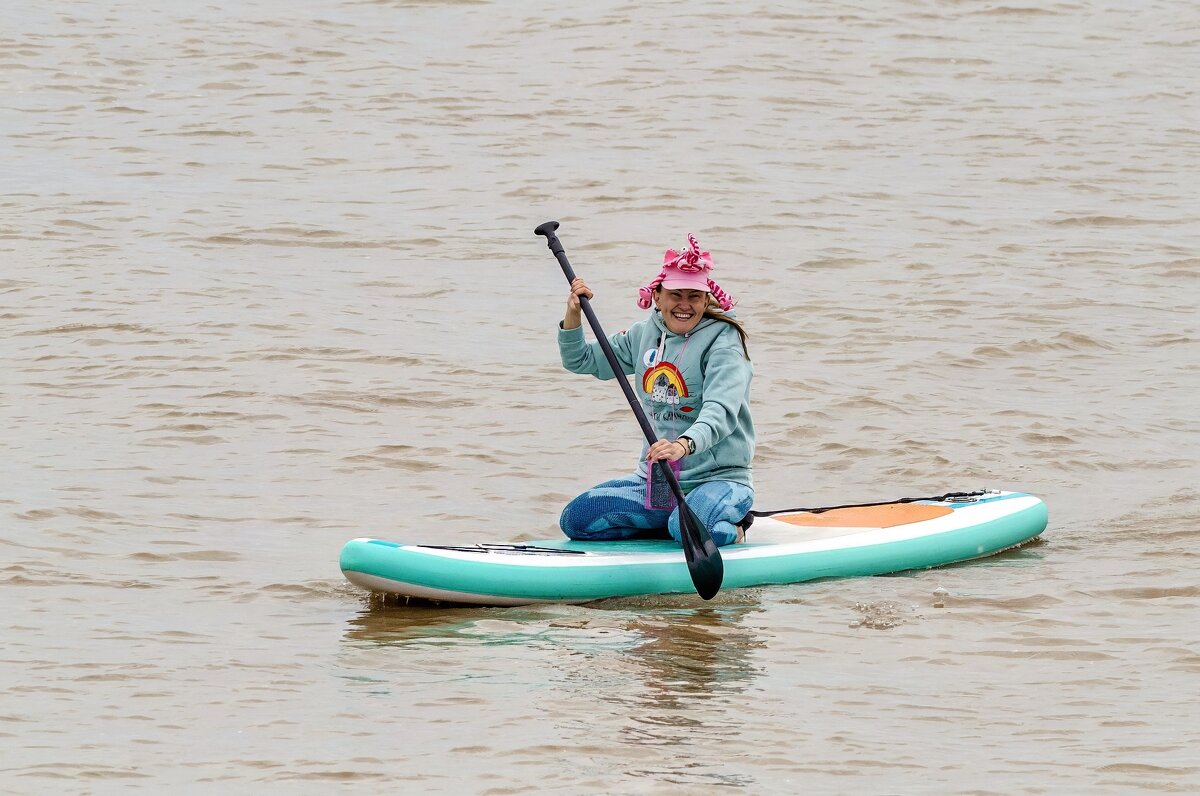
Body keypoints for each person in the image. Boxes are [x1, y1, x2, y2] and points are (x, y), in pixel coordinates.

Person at [557, 233, 754, 546]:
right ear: (658, 297)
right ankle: (671, 526)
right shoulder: (643, 335)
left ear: (706, 300)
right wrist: (573, 314)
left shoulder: (724, 341)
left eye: (694, 296)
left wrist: (683, 445)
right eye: (676, 294)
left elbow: (721, 411)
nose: (684, 305)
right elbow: (581, 360)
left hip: (719, 479)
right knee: (576, 520)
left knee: (685, 528)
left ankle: (735, 526)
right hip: (659, 481)